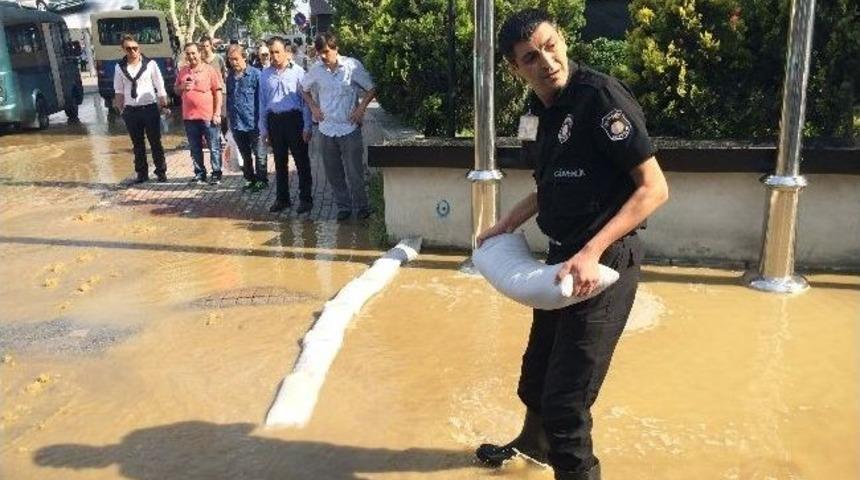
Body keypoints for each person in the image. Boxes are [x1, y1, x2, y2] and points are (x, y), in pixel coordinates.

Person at [474, 9, 669, 480]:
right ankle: (531, 447)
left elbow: (653, 188)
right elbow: (550, 185)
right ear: (515, 69)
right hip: (562, 261)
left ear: (561, 38)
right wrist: (506, 222)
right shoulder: (535, 115)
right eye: (530, 56)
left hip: (603, 265)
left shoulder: (599, 99)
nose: (547, 60)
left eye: (550, 44)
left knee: (567, 406)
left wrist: (591, 250)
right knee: (536, 378)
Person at [301, 31, 377, 221]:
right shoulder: (316, 69)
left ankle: (362, 207)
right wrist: (314, 108)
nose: (323, 56)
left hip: (349, 128)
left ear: (336, 49)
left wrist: (360, 108)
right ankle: (343, 207)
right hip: (326, 130)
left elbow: (372, 88)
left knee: (355, 172)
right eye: (320, 52)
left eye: (326, 51)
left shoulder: (352, 66)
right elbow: (303, 89)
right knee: (333, 173)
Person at [258, 36, 313, 214]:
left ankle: (305, 199)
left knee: (301, 161)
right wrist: (264, 128)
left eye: (277, 52)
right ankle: (283, 199)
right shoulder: (265, 75)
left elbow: (306, 102)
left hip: (294, 120)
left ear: (286, 52)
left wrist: (307, 127)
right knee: (280, 162)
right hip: (275, 121)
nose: (274, 56)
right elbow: (262, 103)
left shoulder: (298, 72)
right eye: (270, 52)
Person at [113, 34, 169, 183]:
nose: (132, 51)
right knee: (137, 144)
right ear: (123, 49)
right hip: (131, 110)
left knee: (155, 142)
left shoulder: (150, 64)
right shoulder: (119, 67)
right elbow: (118, 90)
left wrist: (163, 105)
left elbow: (160, 85)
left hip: (149, 108)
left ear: (139, 48)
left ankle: (161, 172)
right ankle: (142, 173)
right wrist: (121, 110)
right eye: (129, 48)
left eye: (135, 48)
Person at [175, 42, 224, 184]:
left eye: (193, 53)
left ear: (199, 53)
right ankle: (200, 173)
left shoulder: (209, 70)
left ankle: (216, 173)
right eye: (188, 54)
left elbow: (218, 92)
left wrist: (217, 113)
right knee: (195, 147)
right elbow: (176, 90)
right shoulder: (183, 71)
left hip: (208, 116)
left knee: (214, 146)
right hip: (189, 117)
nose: (191, 57)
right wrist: (181, 87)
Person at [225, 44, 267, 192]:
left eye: (236, 59)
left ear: (244, 57)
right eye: (230, 60)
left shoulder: (256, 75)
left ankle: (262, 180)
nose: (233, 62)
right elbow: (229, 100)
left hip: (254, 122)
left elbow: (262, 100)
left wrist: (263, 122)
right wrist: (229, 121)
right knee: (244, 154)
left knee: (260, 154)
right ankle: (249, 179)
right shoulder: (230, 77)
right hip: (237, 124)